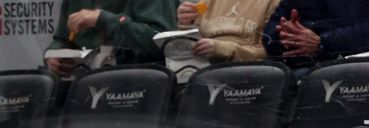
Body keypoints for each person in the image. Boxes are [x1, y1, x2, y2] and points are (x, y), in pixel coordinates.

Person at [45, 0, 175, 77]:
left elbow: (161, 41)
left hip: (135, 86)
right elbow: (63, 39)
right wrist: (53, 54)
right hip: (82, 88)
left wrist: (104, 20)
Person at [261, 0, 369, 59]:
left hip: (354, 65)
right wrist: (289, 36)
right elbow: (269, 33)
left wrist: (322, 41)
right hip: (298, 63)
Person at [176, 0, 279, 62]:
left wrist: (224, 49)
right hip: (203, 71)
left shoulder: (274, 3)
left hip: (249, 75)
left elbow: (270, 52)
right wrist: (185, 24)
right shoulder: (207, 2)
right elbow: (189, 44)